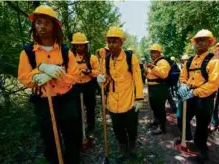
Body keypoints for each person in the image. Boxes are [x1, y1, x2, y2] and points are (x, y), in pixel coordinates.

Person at [18, 5, 81, 163]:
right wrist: (40, 72)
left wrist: (57, 76)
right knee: (50, 140)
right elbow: (24, 77)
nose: (42, 26)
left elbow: (74, 76)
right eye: (38, 22)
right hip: (43, 103)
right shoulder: (27, 52)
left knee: (72, 137)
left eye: (47, 23)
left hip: (66, 100)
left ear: (55, 26)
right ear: (34, 25)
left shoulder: (66, 51)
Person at [97, 27, 144, 162]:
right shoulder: (105, 60)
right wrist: (101, 80)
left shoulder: (130, 58)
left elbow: (137, 79)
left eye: (115, 42)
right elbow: (105, 81)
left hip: (129, 100)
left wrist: (139, 98)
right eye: (109, 42)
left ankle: (132, 148)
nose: (111, 45)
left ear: (121, 42)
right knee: (118, 129)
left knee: (131, 127)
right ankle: (123, 150)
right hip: (112, 101)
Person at [177, 29, 219, 163]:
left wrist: (194, 92)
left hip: (204, 98)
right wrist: (183, 85)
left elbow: (213, 84)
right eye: (197, 41)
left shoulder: (214, 62)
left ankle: (202, 151)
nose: (199, 43)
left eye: (203, 40)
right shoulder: (189, 61)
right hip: (188, 96)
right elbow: (182, 76)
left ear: (210, 42)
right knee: (180, 118)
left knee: (202, 126)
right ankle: (188, 140)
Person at [71, 32, 100, 139]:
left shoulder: (92, 58)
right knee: (76, 109)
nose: (79, 47)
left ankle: (91, 129)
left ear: (85, 45)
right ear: (74, 46)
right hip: (75, 87)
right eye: (77, 45)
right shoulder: (70, 58)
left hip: (89, 85)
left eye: (81, 45)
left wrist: (89, 71)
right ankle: (79, 130)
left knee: (90, 108)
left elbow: (98, 72)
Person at [144, 43, 174, 135]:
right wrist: (146, 71)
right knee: (154, 107)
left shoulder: (163, 62)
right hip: (153, 88)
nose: (151, 54)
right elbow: (151, 74)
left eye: (154, 52)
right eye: (151, 52)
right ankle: (156, 122)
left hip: (159, 88)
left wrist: (152, 67)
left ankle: (162, 128)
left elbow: (163, 74)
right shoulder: (155, 62)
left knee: (159, 108)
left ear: (159, 53)